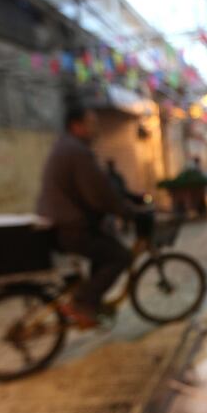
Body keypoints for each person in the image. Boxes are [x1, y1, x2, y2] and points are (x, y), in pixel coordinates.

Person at [37, 101, 137, 329]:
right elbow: (98, 195)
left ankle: (91, 302)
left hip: (62, 223)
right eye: (91, 123)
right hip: (71, 227)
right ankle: (83, 302)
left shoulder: (65, 147)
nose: (96, 128)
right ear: (76, 125)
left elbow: (99, 191)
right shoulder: (77, 152)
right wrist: (125, 211)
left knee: (103, 249)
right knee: (120, 256)